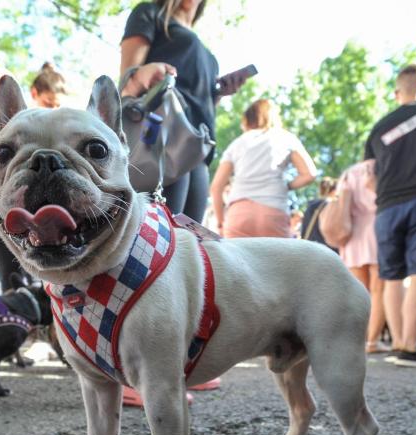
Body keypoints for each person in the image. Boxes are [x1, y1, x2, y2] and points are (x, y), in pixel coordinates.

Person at [120, 0, 244, 223]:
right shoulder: (151, 13)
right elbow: (127, 79)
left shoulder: (209, 56)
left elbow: (201, 104)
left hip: (199, 147)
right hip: (161, 133)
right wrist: (142, 72)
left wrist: (218, 94)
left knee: (188, 243)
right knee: (153, 233)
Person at [364, 62, 416, 367]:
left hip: (386, 208)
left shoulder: (379, 127)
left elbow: (369, 179)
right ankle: (410, 345)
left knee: (392, 276)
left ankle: (398, 345)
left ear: (398, 92)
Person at [0, 62, 67, 293]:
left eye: (57, 105)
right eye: (48, 103)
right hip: (17, 207)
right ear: (34, 94)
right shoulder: (13, 126)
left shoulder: (71, 123)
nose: (52, 110)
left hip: (63, 205)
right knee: (13, 280)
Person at [210, 98, 316, 238]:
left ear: (247, 120)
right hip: (273, 211)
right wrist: (286, 186)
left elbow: (216, 187)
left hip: (239, 213)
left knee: (236, 259)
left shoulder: (238, 143)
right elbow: (310, 174)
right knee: (276, 260)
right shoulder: (286, 138)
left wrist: (220, 222)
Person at [337, 161, 387, 353]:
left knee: (359, 292)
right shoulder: (380, 166)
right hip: (378, 227)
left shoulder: (349, 173)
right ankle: (372, 341)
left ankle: (356, 341)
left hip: (352, 232)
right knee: (379, 290)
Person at [300, 177, 339, 250]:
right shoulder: (332, 206)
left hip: (308, 248)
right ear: (335, 191)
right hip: (327, 250)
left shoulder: (311, 206)